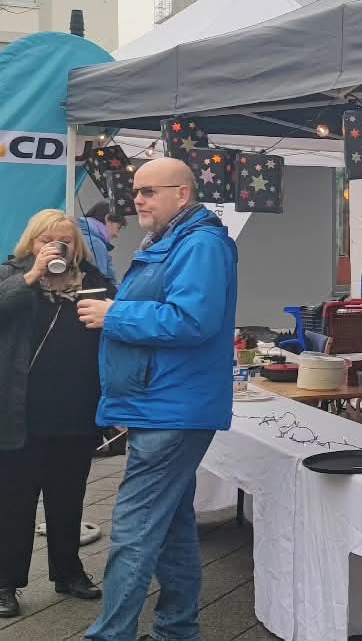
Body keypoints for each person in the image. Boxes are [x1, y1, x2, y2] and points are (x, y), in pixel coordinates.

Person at [78, 157, 238, 641]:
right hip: (164, 403)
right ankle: (177, 630)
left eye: (148, 192)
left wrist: (114, 315)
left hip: (171, 408)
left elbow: (191, 321)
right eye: (136, 191)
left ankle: (112, 635)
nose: (137, 201)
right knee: (172, 527)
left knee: (134, 530)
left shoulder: (200, 244)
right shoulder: (177, 240)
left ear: (182, 194)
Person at [0, 211, 115, 618]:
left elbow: (119, 324)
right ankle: (5, 582)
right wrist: (32, 276)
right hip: (20, 414)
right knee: (14, 503)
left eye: (64, 240)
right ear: (30, 243)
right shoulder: (12, 275)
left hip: (76, 411)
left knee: (69, 498)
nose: (55, 247)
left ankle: (68, 572)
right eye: (45, 240)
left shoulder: (93, 281)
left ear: (76, 245)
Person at [77, 202, 127, 282]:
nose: (116, 235)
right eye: (118, 227)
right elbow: (99, 284)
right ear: (107, 218)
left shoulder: (76, 236)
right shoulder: (96, 244)